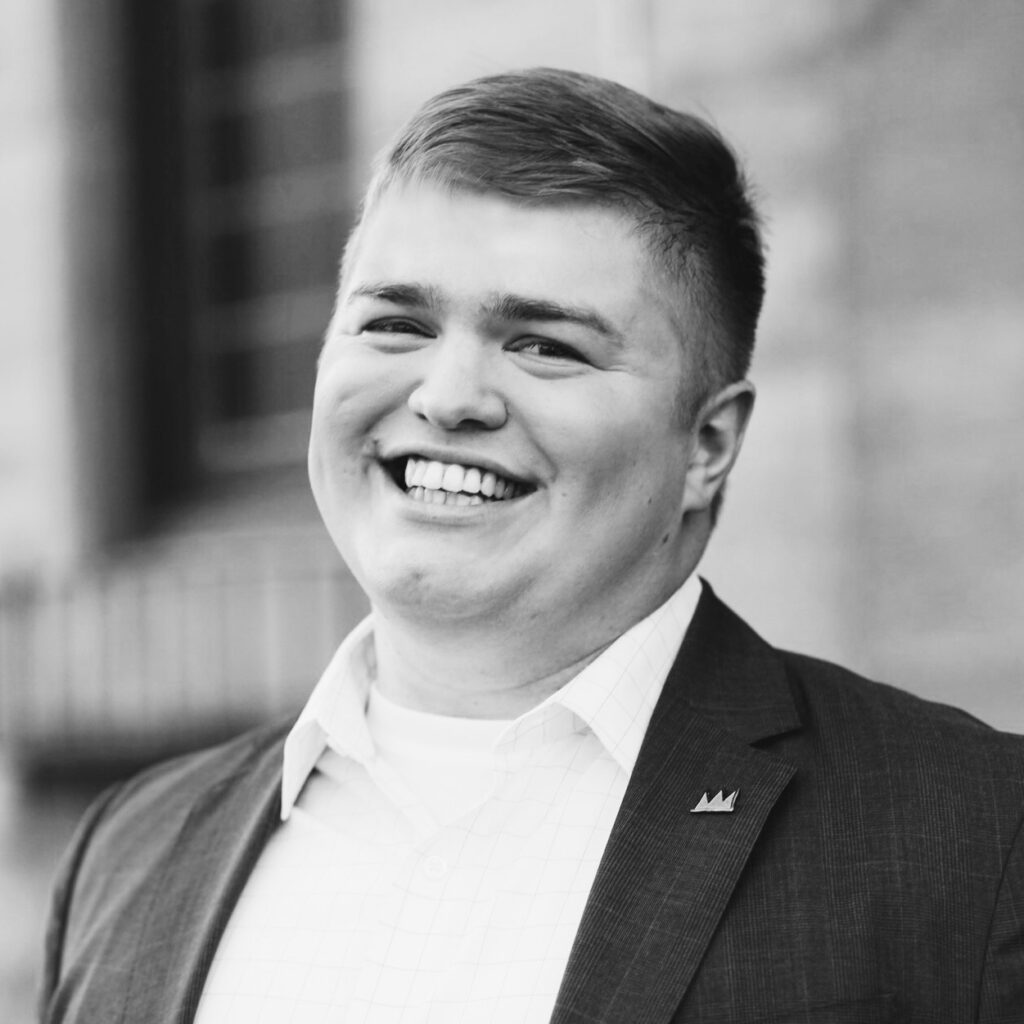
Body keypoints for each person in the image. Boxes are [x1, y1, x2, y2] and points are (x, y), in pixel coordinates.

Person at [41, 68, 1023, 1024]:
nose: (448, 396)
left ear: (707, 445)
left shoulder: (973, 838)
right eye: (395, 322)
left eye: (544, 344)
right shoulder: (130, 849)